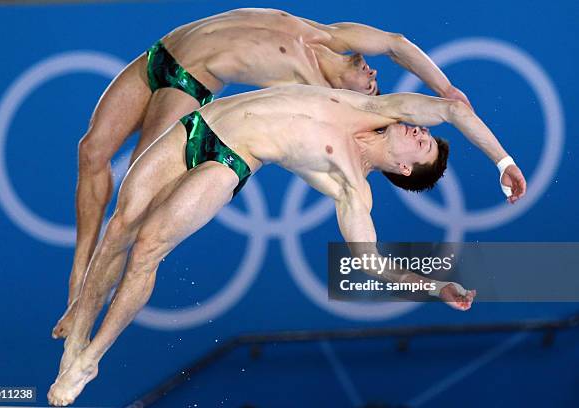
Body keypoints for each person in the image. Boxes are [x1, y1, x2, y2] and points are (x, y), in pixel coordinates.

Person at [47, 84, 526, 406]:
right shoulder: (371, 105)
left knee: (149, 247)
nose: (422, 132)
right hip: (198, 125)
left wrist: (435, 286)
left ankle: (91, 360)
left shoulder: (351, 189)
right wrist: (502, 159)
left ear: (404, 170)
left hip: (230, 161)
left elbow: (373, 266)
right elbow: (452, 109)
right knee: (119, 228)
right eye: (426, 134)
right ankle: (76, 340)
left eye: (422, 146)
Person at [56, 7, 475, 339]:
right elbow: (396, 43)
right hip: (167, 49)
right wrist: (447, 89)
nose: (373, 74)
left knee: (133, 207)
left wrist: (435, 287)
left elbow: (359, 239)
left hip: (185, 81)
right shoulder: (328, 34)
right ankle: (79, 275)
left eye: (370, 90)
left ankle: (83, 303)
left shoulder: (315, 96)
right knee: (90, 151)